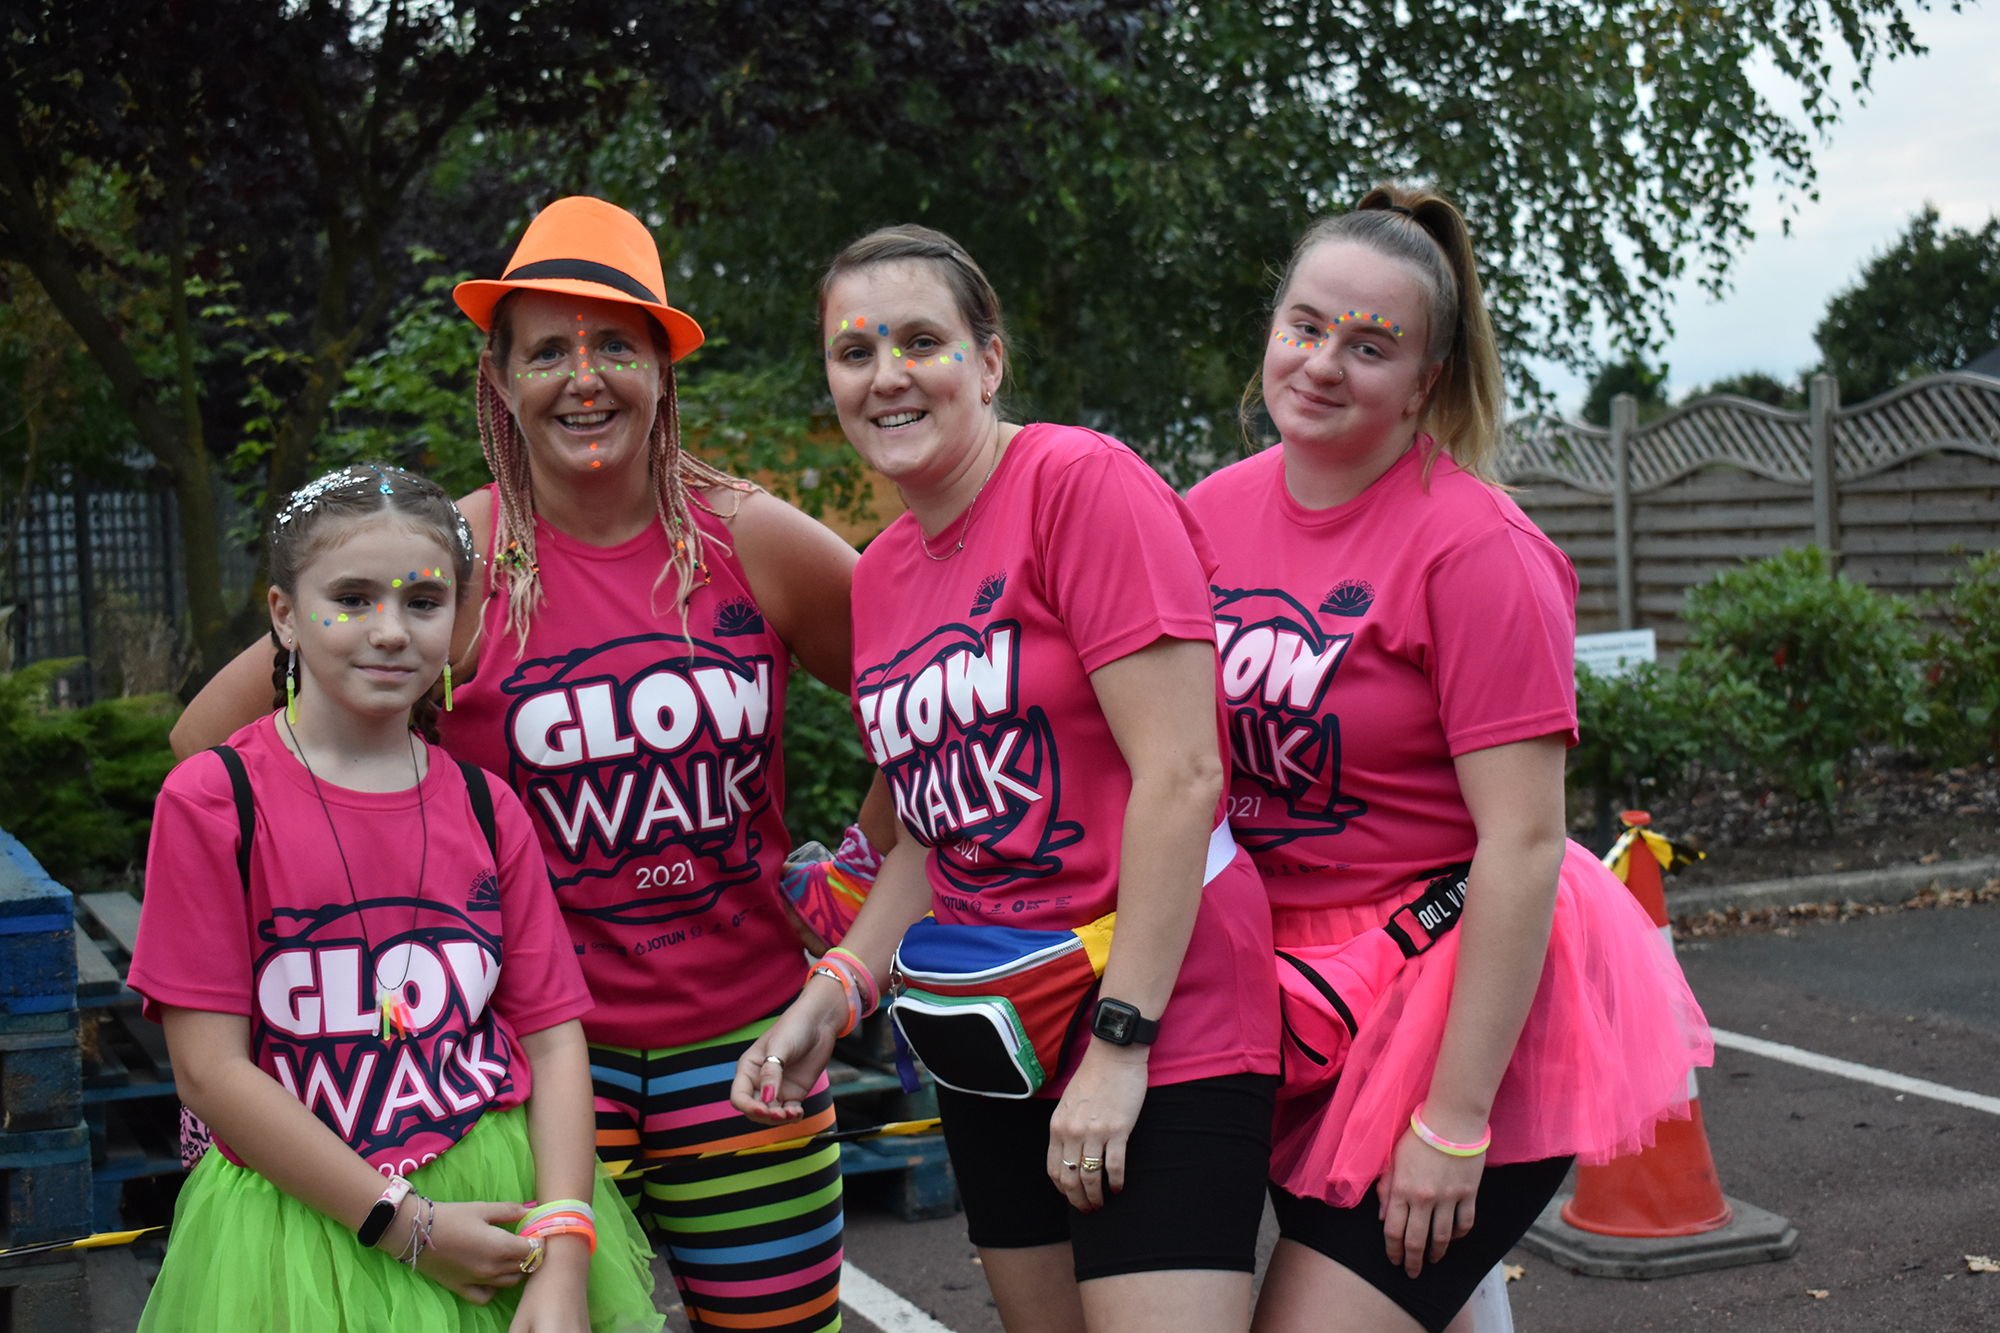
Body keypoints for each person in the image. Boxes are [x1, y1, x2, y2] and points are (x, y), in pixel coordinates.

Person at [168, 197, 890, 1333]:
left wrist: (856, 881)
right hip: (522, 1074)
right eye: (546, 349)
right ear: (499, 380)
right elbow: (209, 746)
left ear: (662, 365)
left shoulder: (755, 541)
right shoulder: (442, 568)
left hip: (746, 1049)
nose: (583, 377)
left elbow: (936, 717)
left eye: (614, 343)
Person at [727, 226, 1281, 1333]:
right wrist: (828, 998)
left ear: (987, 361)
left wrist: (1122, 1046)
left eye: (920, 340)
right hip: (989, 1023)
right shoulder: (879, 575)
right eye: (853, 350)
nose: (885, 373)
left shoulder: (1078, 485)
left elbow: (1181, 775)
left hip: (1157, 1010)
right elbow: (932, 837)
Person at [1185, 187, 1713, 1333]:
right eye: (1304, 325)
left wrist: (1450, 1119)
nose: (1324, 363)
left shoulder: (1477, 548)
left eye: (1370, 346)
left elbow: (1522, 843)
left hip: (1460, 983)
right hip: (1287, 983)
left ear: (1424, 378)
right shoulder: (1200, 518)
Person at [130, 465, 659, 1331]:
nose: (389, 630)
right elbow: (209, 1071)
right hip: (299, 1224)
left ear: (458, 621)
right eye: (351, 597)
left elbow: (554, 1040)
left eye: (422, 601)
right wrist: (404, 1224)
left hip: (495, 1206)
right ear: (283, 614)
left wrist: (566, 1248)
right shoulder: (213, 802)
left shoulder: (490, 809)